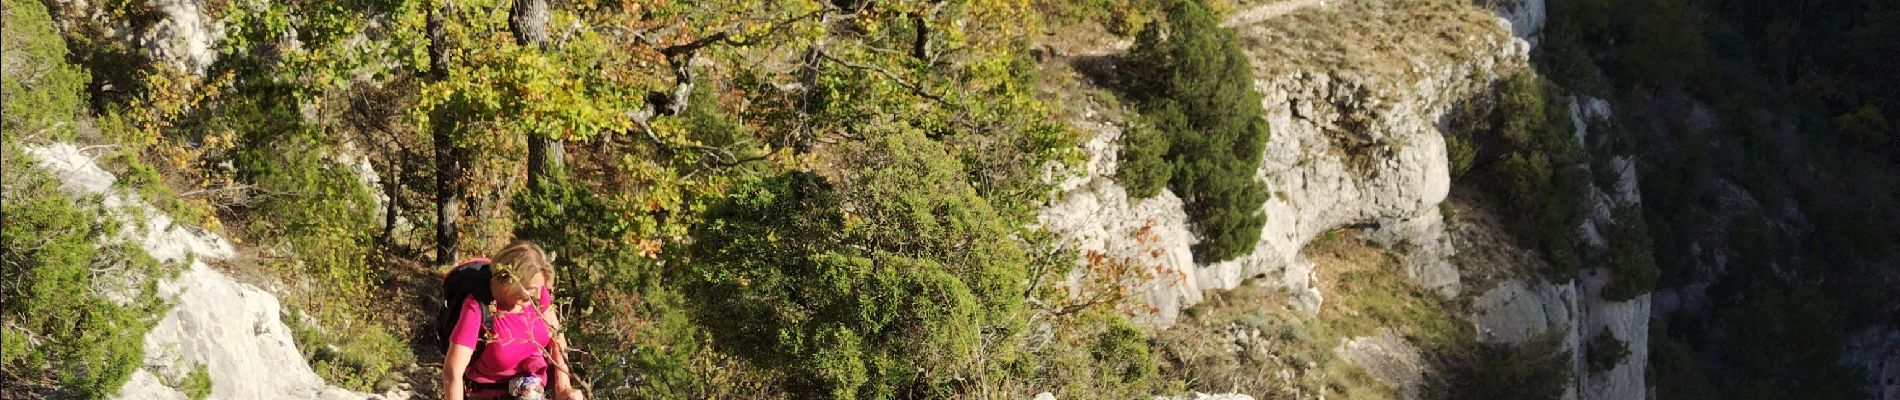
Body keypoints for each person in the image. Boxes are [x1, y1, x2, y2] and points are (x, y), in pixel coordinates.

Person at [441, 240, 584, 400]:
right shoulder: (478, 307)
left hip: (539, 388)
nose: (537, 295)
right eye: (530, 290)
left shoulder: (536, 291)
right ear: (508, 281)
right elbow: (452, 371)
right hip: (492, 394)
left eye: (539, 289)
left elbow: (556, 337)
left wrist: (563, 387)